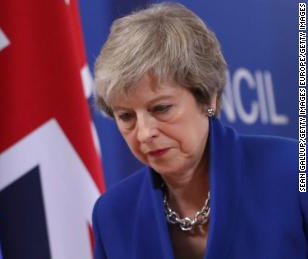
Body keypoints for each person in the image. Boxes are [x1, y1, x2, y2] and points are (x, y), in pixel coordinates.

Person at [91, 2, 307, 259]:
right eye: (126, 116)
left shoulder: (294, 171)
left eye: (161, 108)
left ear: (208, 98)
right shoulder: (113, 215)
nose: (144, 133)